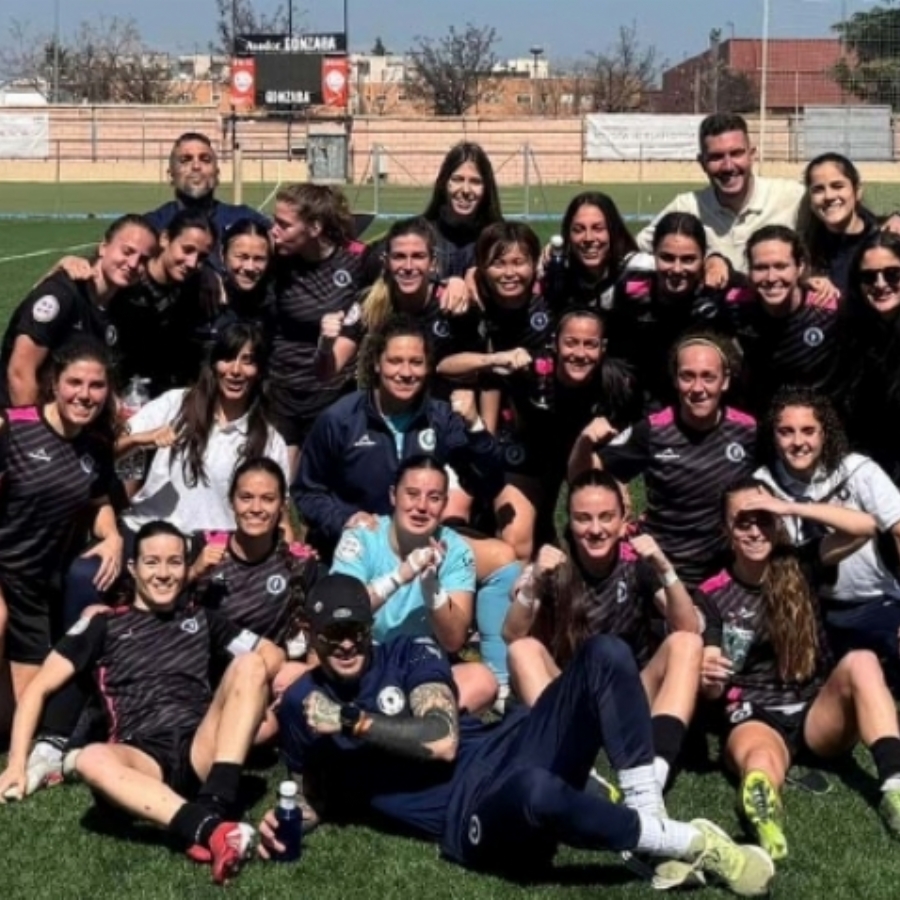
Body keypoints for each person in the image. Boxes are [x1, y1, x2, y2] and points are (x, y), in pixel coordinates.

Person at [260, 573, 776, 896]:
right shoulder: (303, 705)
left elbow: (442, 739)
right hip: (471, 815)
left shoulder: (410, 652)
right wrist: (279, 822)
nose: (346, 646)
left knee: (606, 654)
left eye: (355, 632)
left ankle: (648, 825)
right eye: (332, 636)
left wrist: (352, 721)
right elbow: (312, 795)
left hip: (508, 743)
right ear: (312, 634)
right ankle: (686, 842)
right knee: (536, 792)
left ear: (369, 628)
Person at [0, 520, 284, 885]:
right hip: (141, 755)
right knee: (90, 758)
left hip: (200, 746)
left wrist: (252, 700)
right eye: (152, 563)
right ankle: (210, 827)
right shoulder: (103, 625)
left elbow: (270, 655)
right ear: (133, 569)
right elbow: (38, 688)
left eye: (174, 562)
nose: (163, 574)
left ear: (186, 568)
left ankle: (214, 804)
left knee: (249, 664)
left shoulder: (203, 619)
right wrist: (16, 763)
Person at [697, 478, 900, 861]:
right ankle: (764, 813)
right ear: (726, 530)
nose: (756, 530)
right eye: (744, 522)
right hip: (754, 713)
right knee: (759, 761)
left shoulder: (801, 564)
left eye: (764, 519)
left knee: (863, 661)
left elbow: (864, 526)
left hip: (815, 712)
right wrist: (707, 678)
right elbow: (710, 690)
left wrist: (789, 508)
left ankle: (895, 784)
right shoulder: (712, 592)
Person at [504, 471, 703, 791]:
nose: (596, 529)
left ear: (624, 521)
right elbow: (512, 635)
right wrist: (535, 580)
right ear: (569, 521)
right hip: (572, 700)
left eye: (606, 517)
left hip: (630, 698)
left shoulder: (638, 563)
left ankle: (655, 772)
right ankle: (572, 766)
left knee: (687, 644)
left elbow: (688, 626)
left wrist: (664, 567)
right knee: (522, 650)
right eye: (583, 519)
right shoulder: (554, 565)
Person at [294, 317, 503, 558]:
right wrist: (344, 520)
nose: (405, 373)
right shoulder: (341, 419)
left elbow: (489, 484)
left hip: (422, 546)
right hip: (357, 549)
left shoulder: (440, 418)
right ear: (376, 364)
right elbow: (306, 492)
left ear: (427, 367)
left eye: (416, 362)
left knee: (505, 563)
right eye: (395, 361)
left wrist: (475, 426)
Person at [0, 337, 121, 711]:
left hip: (35, 588)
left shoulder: (96, 446)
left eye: (96, 385)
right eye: (75, 383)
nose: (85, 395)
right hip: (2, 570)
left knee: (21, 715)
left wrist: (113, 535)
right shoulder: (13, 428)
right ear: (54, 383)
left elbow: (98, 502)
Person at [330, 455, 499, 711]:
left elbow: (453, 640)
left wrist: (431, 586)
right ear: (393, 496)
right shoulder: (361, 537)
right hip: (362, 657)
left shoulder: (457, 550)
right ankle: (411, 725)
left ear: (444, 504)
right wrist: (401, 575)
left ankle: (391, 723)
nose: (421, 506)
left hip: (422, 664)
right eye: (412, 494)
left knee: (482, 681)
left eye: (433, 498)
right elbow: (340, 615)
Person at [753, 385, 900, 677]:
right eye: (786, 431)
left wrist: (795, 507)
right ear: (773, 435)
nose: (798, 442)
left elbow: (898, 529)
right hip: (811, 609)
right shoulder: (763, 483)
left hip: (877, 598)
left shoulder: (857, 469)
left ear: (824, 434)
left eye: (808, 430)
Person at [595, 333, 756, 590]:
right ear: (675, 380)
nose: (698, 388)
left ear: (725, 381)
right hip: (661, 567)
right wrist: (617, 493)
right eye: (687, 376)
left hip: (724, 573)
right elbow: (597, 466)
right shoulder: (652, 429)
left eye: (708, 377)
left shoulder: (747, 431)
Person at [436, 221, 557, 559]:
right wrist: (493, 360)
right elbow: (443, 365)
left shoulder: (550, 302)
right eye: (498, 263)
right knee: (449, 522)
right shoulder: (470, 304)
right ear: (482, 267)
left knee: (517, 538)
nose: (509, 273)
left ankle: (511, 605)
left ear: (534, 263)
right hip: (468, 431)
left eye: (519, 262)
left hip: (528, 437)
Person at [116, 322, 289, 537]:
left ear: (259, 371)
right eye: (227, 358)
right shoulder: (176, 403)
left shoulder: (270, 441)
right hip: (151, 535)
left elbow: (279, 514)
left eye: (248, 361)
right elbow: (109, 451)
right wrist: (142, 439)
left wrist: (290, 556)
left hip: (216, 548)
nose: (235, 370)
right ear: (214, 364)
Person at [0, 214, 157, 406]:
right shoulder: (63, 294)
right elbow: (20, 372)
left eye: (143, 259)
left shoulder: (120, 304)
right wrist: (33, 431)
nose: (133, 264)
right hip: (24, 419)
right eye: (127, 251)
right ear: (104, 247)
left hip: (71, 418)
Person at [322, 216, 483, 396]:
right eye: (399, 256)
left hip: (439, 412)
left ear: (433, 263)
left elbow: (476, 370)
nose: (408, 266)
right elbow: (326, 372)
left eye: (418, 256)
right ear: (386, 261)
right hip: (385, 412)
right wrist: (325, 345)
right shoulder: (369, 303)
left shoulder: (452, 301)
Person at [266, 183, 366, 472]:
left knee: (319, 484)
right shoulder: (277, 259)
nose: (275, 230)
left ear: (314, 227)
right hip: (281, 390)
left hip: (330, 392)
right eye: (275, 221)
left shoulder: (355, 263)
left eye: (284, 225)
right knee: (279, 482)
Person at [636, 114, 804, 275]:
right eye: (716, 157)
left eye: (736, 153)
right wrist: (705, 261)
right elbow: (633, 251)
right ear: (702, 163)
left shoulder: (792, 197)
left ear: (752, 155)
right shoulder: (686, 207)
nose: (728, 166)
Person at [608, 211, 735, 412]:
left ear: (703, 259)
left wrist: (721, 260)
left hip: (702, 402)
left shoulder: (717, 293)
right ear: (653, 255)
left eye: (688, 259)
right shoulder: (633, 288)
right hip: (646, 402)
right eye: (667, 258)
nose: (676, 269)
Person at [727, 226, 839, 417]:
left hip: (815, 424)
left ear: (800, 266)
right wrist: (717, 261)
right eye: (761, 268)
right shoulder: (735, 306)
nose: (771, 278)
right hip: (760, 420)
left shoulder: (828, 311)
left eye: (781, 266)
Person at [364, 142, 503, 286]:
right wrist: (440, 283)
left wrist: (482, 275)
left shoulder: (499, 239)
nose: (466, 190)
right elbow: (370, 266)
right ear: (444, 183)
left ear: (486, 189)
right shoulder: (418, 232)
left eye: (475, 181)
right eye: (457, 179)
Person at [833, 230, 900, 483]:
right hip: (870, 470)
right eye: (869, 276)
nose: (881, 284)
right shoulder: (852, 334)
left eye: (893, 274)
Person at [144, 132, 268, 240]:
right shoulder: (152, 226)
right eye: (185, 160)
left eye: (205, 159)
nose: (196, 166)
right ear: (171, 176)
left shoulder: (245, 220)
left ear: (217, 175)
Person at [797, 152, 880, 299]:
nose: (828, 196)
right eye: (818, 189)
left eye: (838, 186)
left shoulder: (883, 241)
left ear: (857, 191)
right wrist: (805, 284)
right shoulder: (804, 249)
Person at [541, 191, 639, 315]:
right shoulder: (557, 274)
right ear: (568, 236)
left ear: (613, 231)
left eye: (598, 228)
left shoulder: (637, 270)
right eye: (578, 230)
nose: (588, 238)